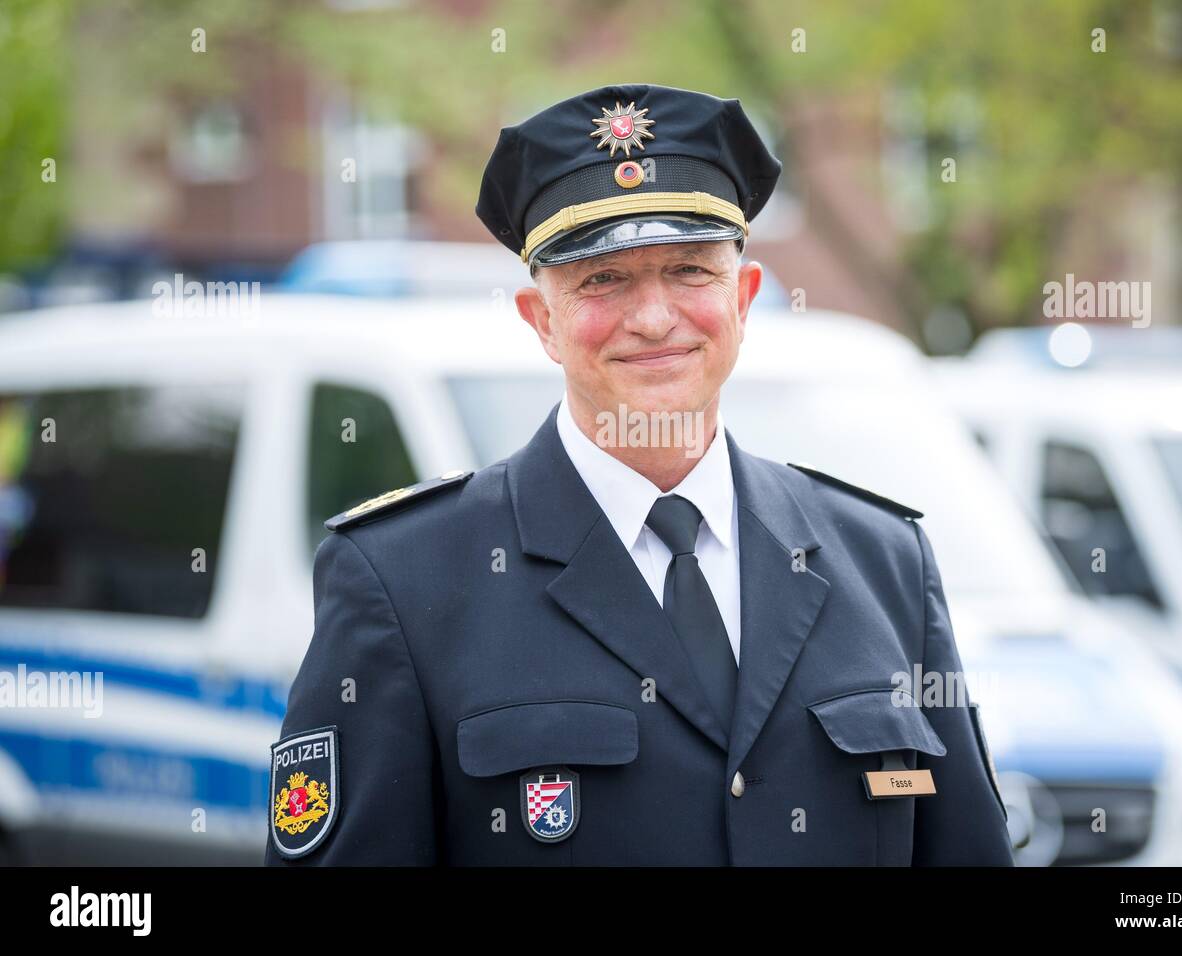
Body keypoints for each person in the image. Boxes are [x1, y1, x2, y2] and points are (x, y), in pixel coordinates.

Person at [264, 83, 1013, 866]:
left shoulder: (881, 558)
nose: (654, 318)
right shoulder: (404, 580)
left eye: (690, 270)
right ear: (541, 320)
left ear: (745, 297)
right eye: (604, 279)